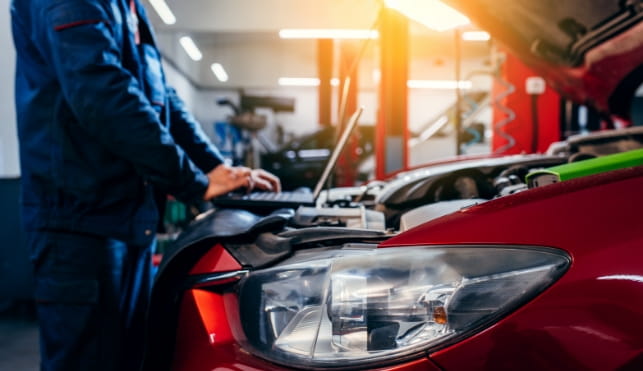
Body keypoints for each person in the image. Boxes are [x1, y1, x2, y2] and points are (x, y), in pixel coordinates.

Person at [10, 0, 281, 370]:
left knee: (128, 358)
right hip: (80, 224)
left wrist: (217, 167)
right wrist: (192, 181)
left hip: (126, 218)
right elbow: (102, 94)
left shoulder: (127, 6)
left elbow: (159, 97)